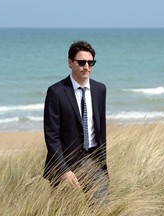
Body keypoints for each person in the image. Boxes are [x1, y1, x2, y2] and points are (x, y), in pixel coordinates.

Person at [43, 41, 108, 195]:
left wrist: (102, 162)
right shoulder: (56, 92)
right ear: (70, 63)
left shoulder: (100, 89)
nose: (86, 67)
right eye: (81, 62)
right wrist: (64, 170)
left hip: (94, 160)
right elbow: (52, 136)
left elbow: (101, 129)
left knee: (102, 206)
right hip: (65, 163)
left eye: (90, 62)